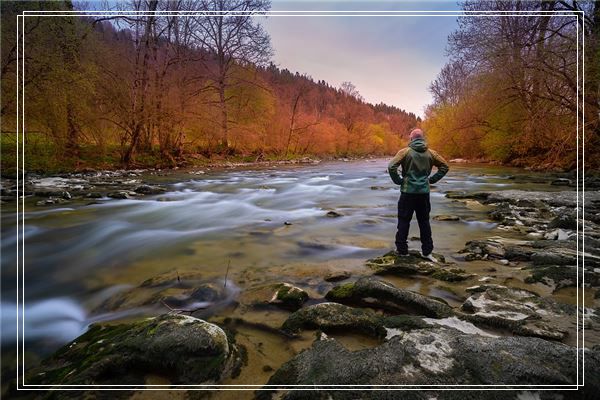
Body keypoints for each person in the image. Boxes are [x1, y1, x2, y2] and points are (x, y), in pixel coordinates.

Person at [387, 128, 449, 262]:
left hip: (407, 192)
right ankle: (427, 252)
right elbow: (445, 166)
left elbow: (391, 166)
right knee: (424, 222)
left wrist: (398, 181)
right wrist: (431, 180)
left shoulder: (405, 152)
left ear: (411, 139)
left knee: (404, 221)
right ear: (423, 139)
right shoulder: (431, 153)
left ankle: (402, 251)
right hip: (423, 193)